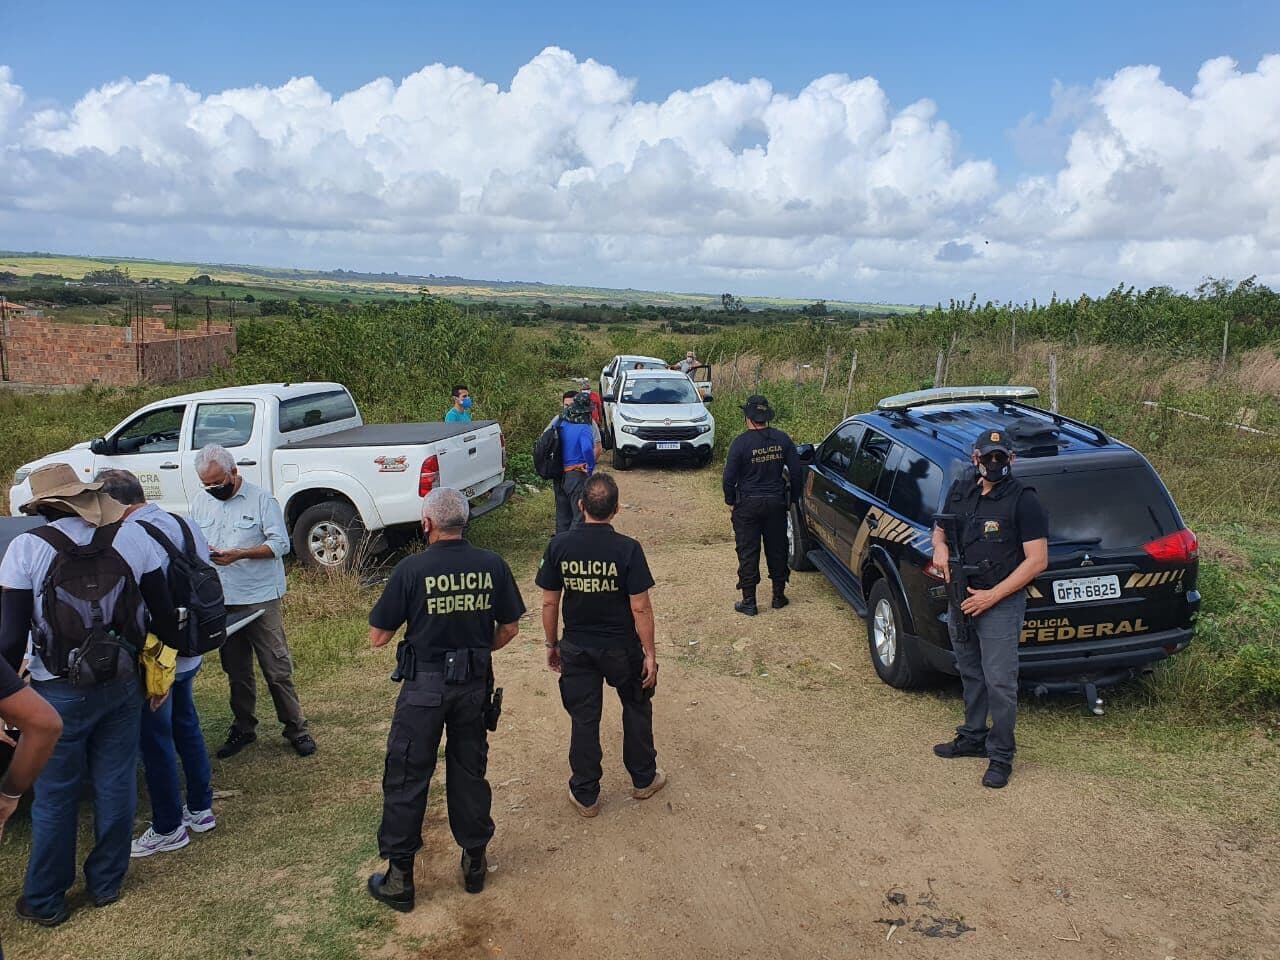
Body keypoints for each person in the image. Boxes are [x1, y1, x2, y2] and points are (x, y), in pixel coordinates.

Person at [0, 462, 180, 926]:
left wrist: (9, 700)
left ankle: (45, 900)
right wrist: (157, 675)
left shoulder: (26, 548)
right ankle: (106, 884)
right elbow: (163, 617)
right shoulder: (132, 538)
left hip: (55, 690)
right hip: (122, 682)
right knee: (116, 782)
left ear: (42, 507)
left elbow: (10, 639)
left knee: (55, 795)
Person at [366, 488, 525, 912]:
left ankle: (400, 879)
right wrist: (478, 650)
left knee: (407, 774)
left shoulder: (411, 569)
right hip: (473, 685)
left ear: (427, 524)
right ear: (464, 522)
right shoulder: (492, 565)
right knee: (469, 771)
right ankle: (474, 864)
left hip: (424, 687)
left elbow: (378, 637)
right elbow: (510, 628)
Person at [94, 470, 217, 857]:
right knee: (186, 723)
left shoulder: (130, 535)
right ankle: (201, 807)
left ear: (112, 503)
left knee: (155, 738)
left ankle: (168, 826)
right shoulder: (183, 521)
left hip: (155, 652)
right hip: (191, 640)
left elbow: (127, 594)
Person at [537, 473, 663, 817]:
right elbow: (640, 607)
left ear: (581, 505)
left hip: (577, 647)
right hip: (622, 648)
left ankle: (586, 794)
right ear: (616, 509)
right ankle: (644, 778)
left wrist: (552, 643)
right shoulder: (628, 549)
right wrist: (650, 654)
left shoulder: (559, 546)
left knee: (584, 717)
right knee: (636, 706)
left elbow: (549, 602)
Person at [931, 428, 1048, 790]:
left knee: (1000, 682)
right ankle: (973, 736)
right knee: (970, 671)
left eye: (1001, 457)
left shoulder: (1023, 500)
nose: (994, 463)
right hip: (960, 596)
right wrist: (940, 549)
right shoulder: (961, 489)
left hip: (999, 603)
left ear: (1011, 459)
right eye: (987, 457)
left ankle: (1001, 755)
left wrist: (991, 596)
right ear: (975, 457)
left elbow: (1037, 560)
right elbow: (940, 529)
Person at [191, 444, 315, 760]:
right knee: (236, 670)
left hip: (260, 599)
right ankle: (243, 727)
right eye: (207, 484)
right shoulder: (201, 502)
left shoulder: (262, 500)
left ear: (234, 472)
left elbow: (281, 544)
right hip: (223, 599)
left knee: (277, 668)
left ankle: (296, 729)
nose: (213, 489)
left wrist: (241, 554)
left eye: (218, 482)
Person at [722, 395, 803, 616]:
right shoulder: (782, 439)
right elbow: (796, 472)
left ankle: (749, 601)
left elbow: (728, 478)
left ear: (748, 417)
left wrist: (730, 501)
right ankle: (778, 596)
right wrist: (793, 499)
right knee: (778, 549)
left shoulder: (740, 443)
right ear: (766, 416)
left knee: (748, 550)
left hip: (747, 504)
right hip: (776, 503)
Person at [555, 392, 598, 535]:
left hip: (560, 474)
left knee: (563, 516)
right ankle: (574, 544)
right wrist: (590, 468)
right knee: (579, 515)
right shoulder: (584, 427)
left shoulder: (562, 423)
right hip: (576, 475)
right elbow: (587, 449)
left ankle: (560, 544)